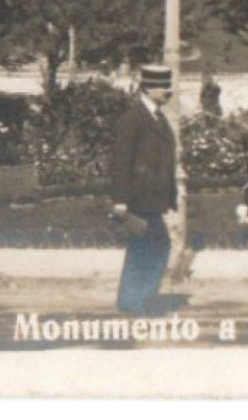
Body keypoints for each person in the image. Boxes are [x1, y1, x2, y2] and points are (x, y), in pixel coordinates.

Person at [108, 65, 178, 314]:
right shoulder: (133, 119)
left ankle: (133, 300)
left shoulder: (157, 117)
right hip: (138, 197)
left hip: (151, 198)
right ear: (148, 88)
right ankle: (138, 300)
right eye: (163, 86)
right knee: (153, 247)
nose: (168, 91)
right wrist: (120, 200)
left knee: (147, 247)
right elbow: (121, 161)